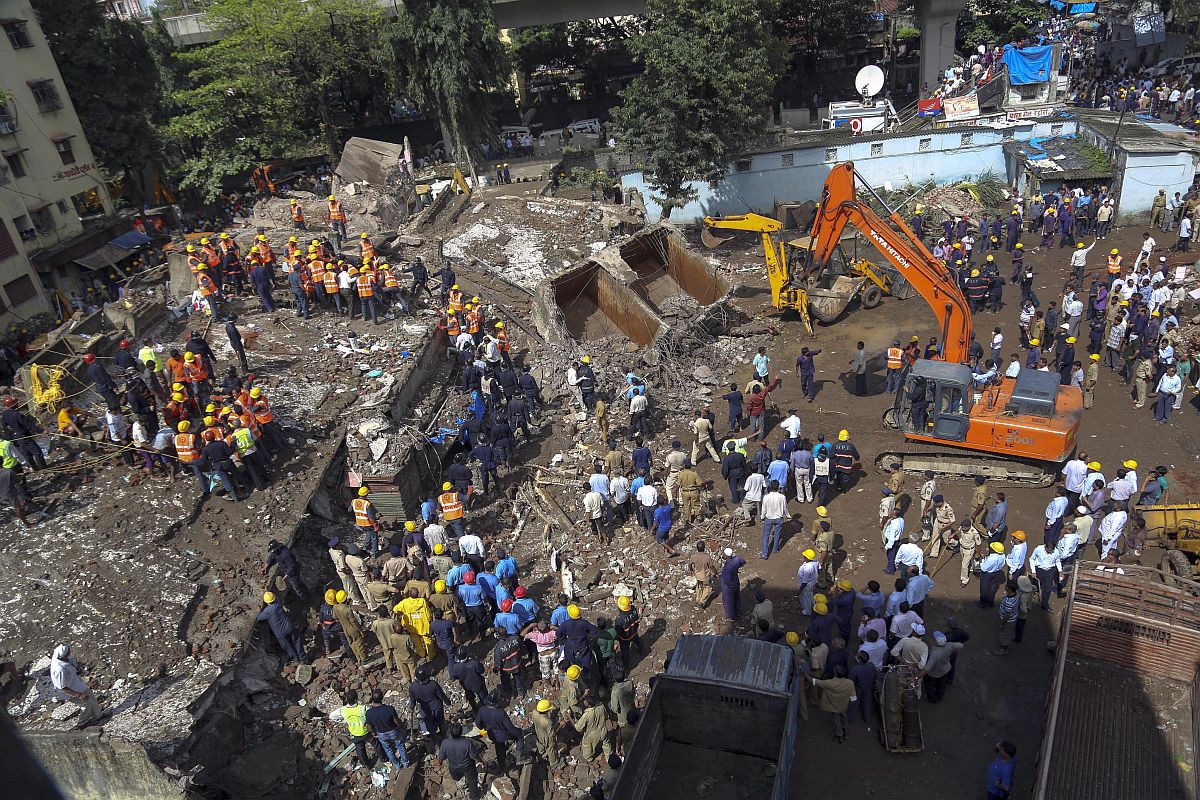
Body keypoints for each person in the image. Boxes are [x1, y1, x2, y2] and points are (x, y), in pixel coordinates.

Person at [50, 644, 103, 728]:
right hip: (71, 691)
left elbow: (73, 669)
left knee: (91, 698)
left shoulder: (62, 658)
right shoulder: (59, 670)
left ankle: (98, 716)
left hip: (78, 684)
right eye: (69, 652)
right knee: (85, 704)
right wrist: (79, 694)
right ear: (64, 655)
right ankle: (82, 723)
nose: (70, 652)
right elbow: (62, 687)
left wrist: (83, 674)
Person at [808, 665, 856, 744]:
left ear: (835, 673)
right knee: (844, 717)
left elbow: (814, 681)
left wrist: (805, 673)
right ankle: (845, 730)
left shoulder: (829, 683)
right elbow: (853, 698)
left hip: (834, 706)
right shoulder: (850, 683)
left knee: (837, 720)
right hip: (844, 705)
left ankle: (839, 735)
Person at [436, 723, 482, 800]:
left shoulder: (445, 743)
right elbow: (474, 756)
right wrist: (481, 761)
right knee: (472, 780)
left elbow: (441, 757)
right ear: (461, 732)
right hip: (467, 767)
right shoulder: (467, 742)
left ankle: (460, 781)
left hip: (454, 768)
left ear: (450, 733)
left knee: (457, 778)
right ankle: (474, 797)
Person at [720, 548, 746, 619]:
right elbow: (743, 562)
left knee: (728, 602)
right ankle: (738, 612)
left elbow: (726, 581)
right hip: (736, 581)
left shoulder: (727, 568)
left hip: (729, 587)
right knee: (737, 597)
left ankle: (731, 616)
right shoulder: (736, 559)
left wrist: (727, 585)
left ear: (726, 555)